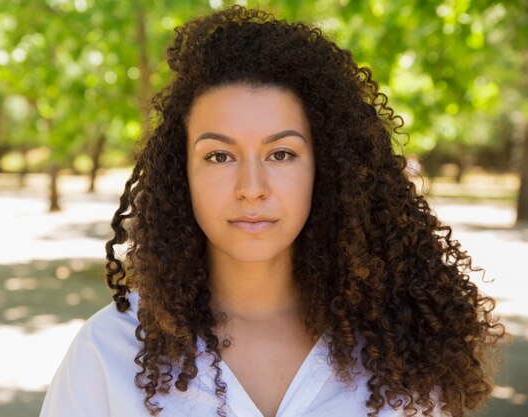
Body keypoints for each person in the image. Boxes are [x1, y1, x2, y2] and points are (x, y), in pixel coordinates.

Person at [39, 5, 506, 417]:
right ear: (181, 174)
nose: (251, 188)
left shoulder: (401, 348)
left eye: (281, 154)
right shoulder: (108, 352)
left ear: (325, 167)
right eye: (218, 156)